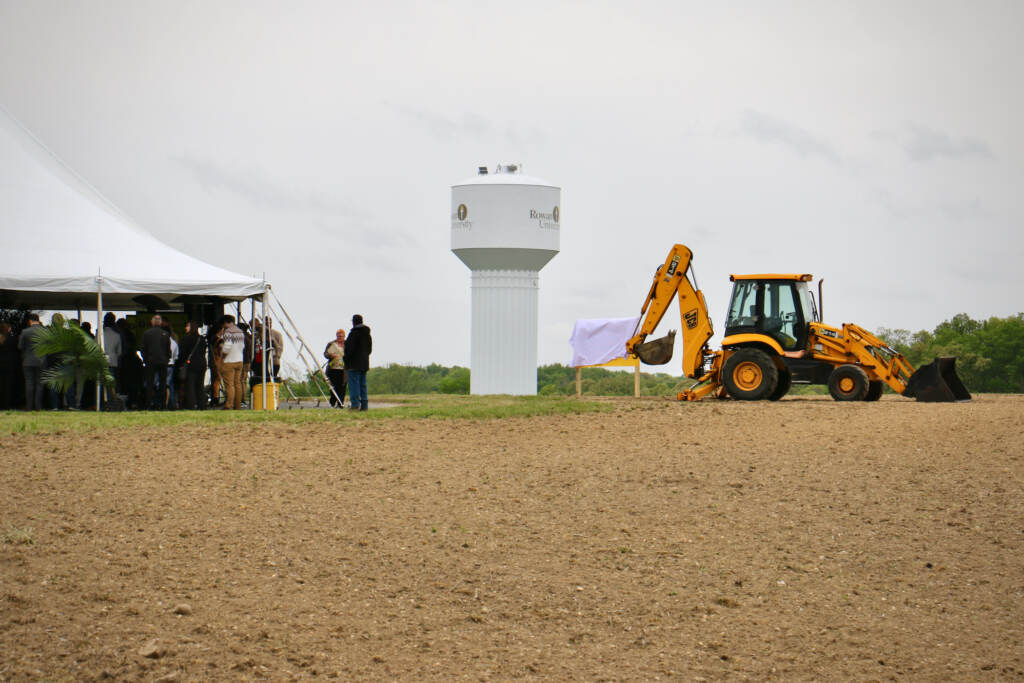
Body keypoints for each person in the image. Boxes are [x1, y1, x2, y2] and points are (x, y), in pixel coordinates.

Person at [141, 314, 171, 410]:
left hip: (150, 361)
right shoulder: (165, 334)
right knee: (162, 384)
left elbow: (143, 349)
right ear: (161, 323)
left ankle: (149, 404)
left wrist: (146, 359)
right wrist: (166, 359)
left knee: (150, 384)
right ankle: (162, 405)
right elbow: (168, 350)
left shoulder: (146, 334)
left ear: (152, 322)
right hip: (162, 362)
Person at [343, 314, 372, 411]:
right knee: (362, 384)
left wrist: (346, 359)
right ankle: (364, 405)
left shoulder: (354, 333)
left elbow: (349, 349)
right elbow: (369, 350)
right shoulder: (367, 334)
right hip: (364, 363)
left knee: (354, 385)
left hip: (353, 364)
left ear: (353, 322)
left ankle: (355, 405)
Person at [178, 321, 208, 410]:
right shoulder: (202, 339)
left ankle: (191, 405)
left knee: (190, 385)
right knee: (200, 385)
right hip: (202, 364)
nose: (185, 328)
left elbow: (183, 354)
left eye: (187, 326)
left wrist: (180, 364)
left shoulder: (185, 339)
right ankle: (201, 405)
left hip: (191, 364)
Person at [17, 313, 45, 410]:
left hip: (28, 361)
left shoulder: (25, 332)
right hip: (41, 360)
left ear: (30, 321)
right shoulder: (45, 332)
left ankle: (29, 406)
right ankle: (38, 407)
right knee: (39, 384)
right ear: (38, 320)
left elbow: (20, 347)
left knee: (29, 383)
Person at [219, 315, 245, 410]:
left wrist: (223, 356)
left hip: (229, 361)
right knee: (237, 384)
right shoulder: (240, 332)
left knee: (229, 385)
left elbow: (227, 347)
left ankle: (229, 405)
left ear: (226, 322)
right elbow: (242, 346)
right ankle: (238, 405)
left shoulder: (228, 332)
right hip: (239, 360)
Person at [101, 313, 122, 407]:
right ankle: (111, 401)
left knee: (100, 384)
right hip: (113, 361)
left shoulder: (99, 334)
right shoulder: (117, 336)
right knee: (111, 384)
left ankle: (101, 402)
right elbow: (119, 352)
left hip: (100, 361)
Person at [324, 328, 347, 408]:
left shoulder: (347, 344)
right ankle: (332, 403)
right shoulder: (331, 344)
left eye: (341, 336)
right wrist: (331, 355)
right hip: (333, 368)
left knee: (342, 387)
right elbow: (325, 354)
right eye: (338, 336)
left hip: (343, 370)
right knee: (333, 386)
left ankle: (340, 403)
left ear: (344, 336)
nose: (340, 338)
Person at [0, 321, 19, 410]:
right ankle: (6, 405)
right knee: (7, 386)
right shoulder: (12, 339)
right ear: (8, 329)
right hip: (9, 366)